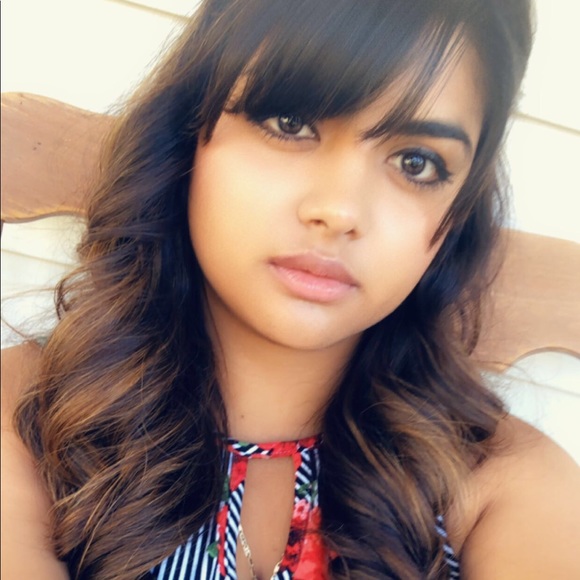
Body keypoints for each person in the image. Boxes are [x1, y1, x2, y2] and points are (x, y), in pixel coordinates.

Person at [2, 0, 579, 578]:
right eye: (290, 122)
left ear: (458, 213)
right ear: (187, 133)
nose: (340, 210)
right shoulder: (32, 414)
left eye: (415, 162)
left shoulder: (504, 485)